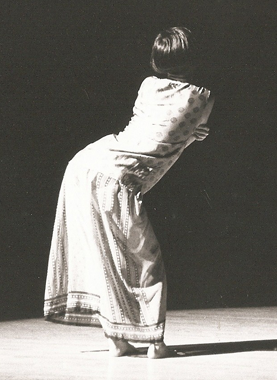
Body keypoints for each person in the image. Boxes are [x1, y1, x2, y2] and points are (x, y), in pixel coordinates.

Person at [43, 27, 214, 359]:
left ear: (155, 60)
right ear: (194, 61)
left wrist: (193, 134)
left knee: (104, 256)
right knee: (144, 259)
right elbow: (174, 134)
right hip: (115, 177)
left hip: (85, 164)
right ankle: (155, 344)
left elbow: (157, 130)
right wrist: (196, 134)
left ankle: (117, 339)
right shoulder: (203, 97)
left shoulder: (148, 86)